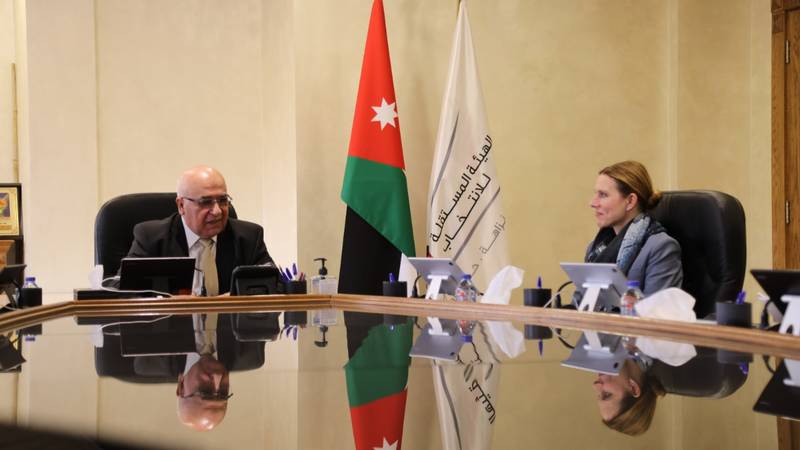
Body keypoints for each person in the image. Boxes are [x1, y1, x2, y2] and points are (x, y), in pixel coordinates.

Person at [125, 165, 273, 295]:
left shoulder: (249, 237)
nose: (217, 211)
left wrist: (232, 299)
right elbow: (123, 291)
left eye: (223, 200)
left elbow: (275, 286)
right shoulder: (151, 238)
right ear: (181, 206)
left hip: (230, 319)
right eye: (206, 202)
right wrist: (169, 303)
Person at [585, 160, 682, 296]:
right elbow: (580, 301)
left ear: (630, 201)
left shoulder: (660, 247)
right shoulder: (596, 248)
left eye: (603, 195)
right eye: (596, 194)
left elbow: (657, 307)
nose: (593, 203)